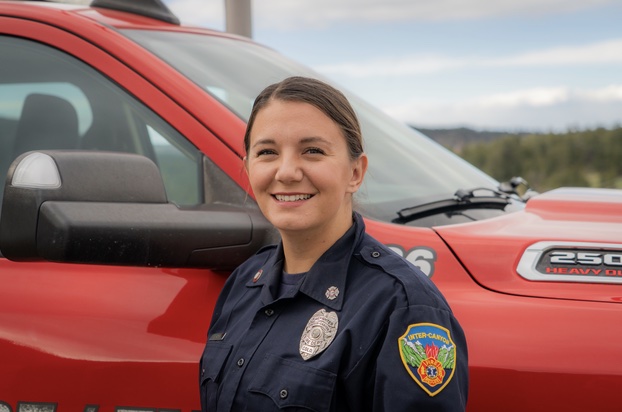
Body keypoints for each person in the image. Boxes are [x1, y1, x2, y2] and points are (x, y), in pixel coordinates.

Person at [199, 76, 469, 411]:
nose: (286, 171)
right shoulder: (244, 283)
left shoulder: (403, 309)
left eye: (312, 151)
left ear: (355, 172)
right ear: (248, 168)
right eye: (267, 152)